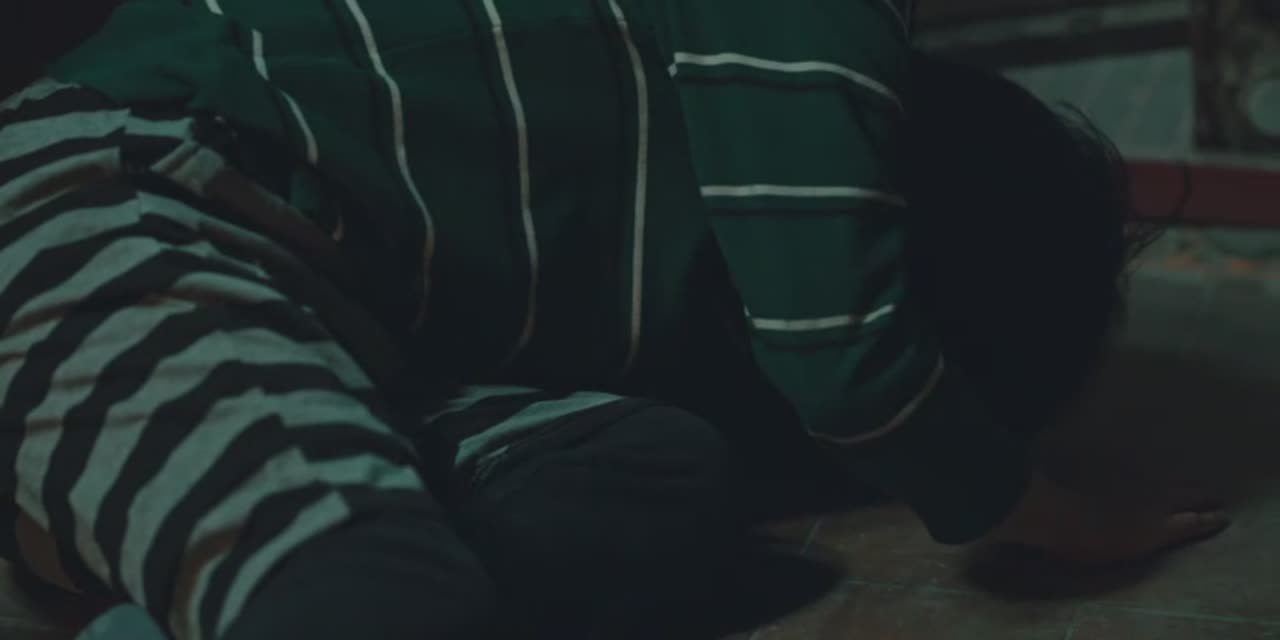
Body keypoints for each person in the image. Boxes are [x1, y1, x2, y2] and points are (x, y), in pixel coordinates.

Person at [0, 1, 1227, 639]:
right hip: (115, 192)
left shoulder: (633, 196)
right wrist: (1018, 501)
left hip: (337, 325)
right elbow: (843, 358)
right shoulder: (806, 44)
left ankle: (191, 553)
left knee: (653, 477)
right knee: (366, 585)